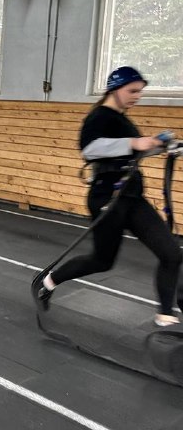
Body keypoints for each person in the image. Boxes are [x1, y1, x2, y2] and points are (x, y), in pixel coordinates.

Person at [36, 66, 183, 327]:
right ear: (114, 89)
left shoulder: (123, 119)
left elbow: (133, 152)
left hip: (133, 198)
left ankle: (166, 316)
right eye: (132, 91)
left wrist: (161, 146)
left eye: (140, 92)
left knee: (171, 253)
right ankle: (49, 282)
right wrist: (134, 142)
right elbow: (90, 149)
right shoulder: (99, 117)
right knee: (101, 261)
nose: (137, 96)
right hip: (107, 199)